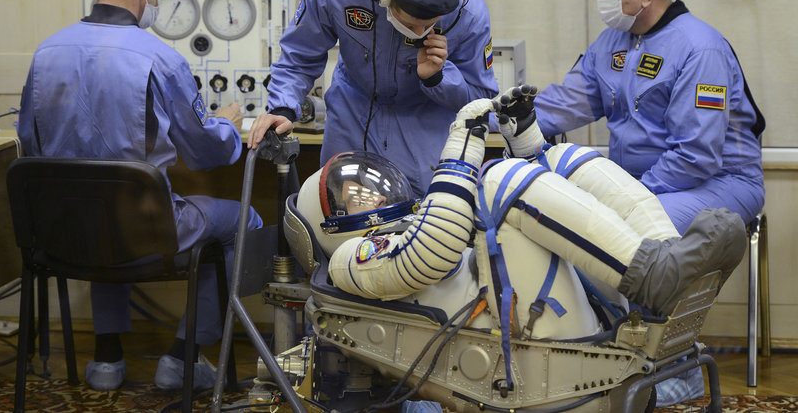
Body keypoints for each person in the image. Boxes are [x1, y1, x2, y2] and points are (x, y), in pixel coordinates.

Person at [287, 85, 746, 355]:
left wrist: (527, 142)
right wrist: (462, 150)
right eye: (353, 199)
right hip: (524, 344)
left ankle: (663, 267)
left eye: (373, 187)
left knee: (564, 160)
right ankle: (654, 277)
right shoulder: (348, 261)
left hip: (550, 313)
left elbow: (462, 225)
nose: (374, 197)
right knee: (497, 180)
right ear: (323, 225)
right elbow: (432, 254)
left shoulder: (411, 223)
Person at [16, 0, 263, 392]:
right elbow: (204, 151)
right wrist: (227, 124)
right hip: (142, 229)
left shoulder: (47, 51)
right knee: (246, 219)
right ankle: (183, 357)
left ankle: (107, 360)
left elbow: (30, 147)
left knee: (104, 206)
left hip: (64, 232)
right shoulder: (159, 58)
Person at [530, 0, 765, 406]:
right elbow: (568, 102)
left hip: (718, 183)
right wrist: (504, 117)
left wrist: (619, 195)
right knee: (559, 217)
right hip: (641, 184)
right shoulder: (614, 41)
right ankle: (601, 357)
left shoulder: (701, 48)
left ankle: (670, 377)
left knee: (628, 234)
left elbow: (696, 155)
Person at [247, 0, 499, 197]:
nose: (419, 34)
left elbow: (481, 102)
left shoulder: (468, 11)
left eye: (429, 25)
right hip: (353, 112)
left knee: (428, 222)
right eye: (411, 24)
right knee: (342, 216)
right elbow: (300, 53)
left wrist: (438, 79)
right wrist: (283, 107)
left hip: (426, 120)